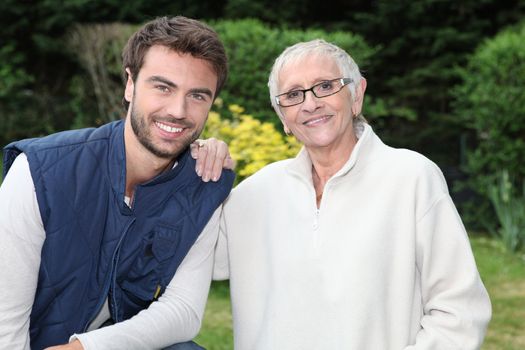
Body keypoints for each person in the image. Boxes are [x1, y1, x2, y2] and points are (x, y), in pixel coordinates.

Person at [213, 39, 492, 349]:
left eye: (325, 86)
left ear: (356, 94)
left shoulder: (411, 177)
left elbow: (460, 312)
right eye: (293, 95)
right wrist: (191, 173)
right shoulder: (255, 193)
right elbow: (184, 260)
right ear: (283, 118)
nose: (310, 104)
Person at [0, 16, 234, 350]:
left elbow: (183, 310)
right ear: (130, 83)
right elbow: (3, 325)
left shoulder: (203, 183)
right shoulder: (40, 172)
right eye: (163, 87)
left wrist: (84, 348)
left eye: (197, 95)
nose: (178, 110)